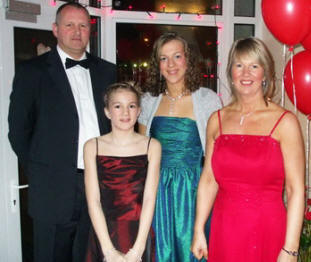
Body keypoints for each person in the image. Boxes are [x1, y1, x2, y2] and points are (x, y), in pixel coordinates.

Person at [8, 3, 116, 262]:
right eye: (69, 25)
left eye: (82, 25)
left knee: (90, 255)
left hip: (98, 185)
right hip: (53, 189)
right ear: (55, 29)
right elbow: (18, 132)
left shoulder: (108, 71)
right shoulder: (32, 72)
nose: (77, 31)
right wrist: (42, 171)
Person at [191, 37, 305, 262]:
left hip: (267, 230)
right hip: (225, 229)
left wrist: (290, 248)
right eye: (239, 65)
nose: (246, 73)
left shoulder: (285, 122)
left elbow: (295, 189)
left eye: (254, 66)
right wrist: (198, 230)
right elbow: (208, 180)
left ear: (265, 74)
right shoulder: (217, 120)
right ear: (230, 72)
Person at [138, 32, 221, 262]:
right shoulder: (147, 101)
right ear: (158, 64)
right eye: (164, 59)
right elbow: (141, 153)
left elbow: (216, 158)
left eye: (177, 56)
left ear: (188, 59)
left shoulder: (208, 99)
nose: (171, 65)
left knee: (191, 251)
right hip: (158, 192)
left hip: (194, 190)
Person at [84, 82, 161, 262]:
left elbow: (150, 198)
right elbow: (93, 200)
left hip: (139, 232)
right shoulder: (92, 146)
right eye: (118, 106)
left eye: (131, 106)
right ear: (107, 111)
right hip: (104, 232)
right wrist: (108, 251)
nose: (125, 112)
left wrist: (138, 249)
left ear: (139, 111)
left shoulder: (152, 146)